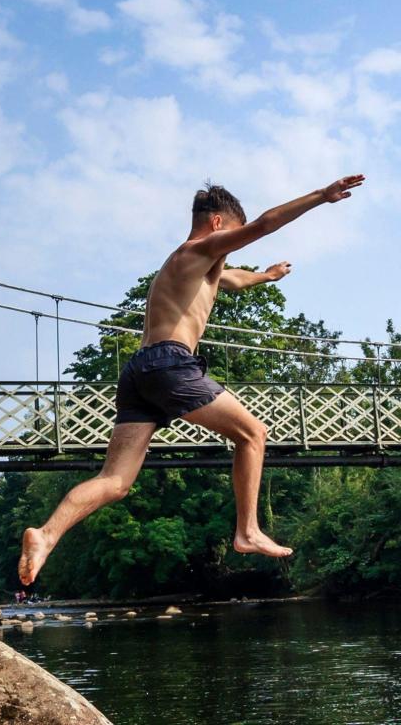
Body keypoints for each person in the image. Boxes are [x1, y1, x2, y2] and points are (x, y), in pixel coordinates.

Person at [18, 174, 366, 587]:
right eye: (233, 236)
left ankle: (46, 535)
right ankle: (247, 531)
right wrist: (319, 197)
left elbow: (231, 278)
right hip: (169, 363)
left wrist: (266, 277)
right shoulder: (195, 249)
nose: (233, 247)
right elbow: (265, 225)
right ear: (218, 224)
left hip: (139, 372)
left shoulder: (197, 266)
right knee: (253, 434)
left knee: (114, 482)